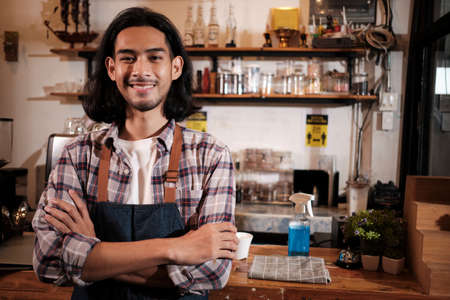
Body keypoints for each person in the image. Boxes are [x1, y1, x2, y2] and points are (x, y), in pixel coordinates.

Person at [33, 7, 238, 299]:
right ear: (112, 68)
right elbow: (49, 262)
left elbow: (212, 272)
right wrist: (174, 249)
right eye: (128, 57)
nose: (140, 70)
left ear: (175, 67)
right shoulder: (77, 156)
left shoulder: (211, 156)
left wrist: (93, 251)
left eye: (155, 57)